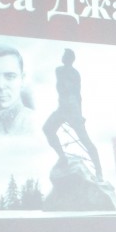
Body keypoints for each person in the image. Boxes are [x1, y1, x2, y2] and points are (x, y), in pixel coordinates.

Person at [42, 49, 103, 181]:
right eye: (63, 55)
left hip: (72, 108)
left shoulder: (74, 74)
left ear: (69, 59)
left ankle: (99, 172)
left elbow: (77, 94)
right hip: (63, 108)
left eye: (65, 55)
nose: (62, 57)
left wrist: (80, 114)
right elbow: (69, 90)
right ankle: (63, 158)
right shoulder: (60, 70)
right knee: (47, 129)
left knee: (85, 140)